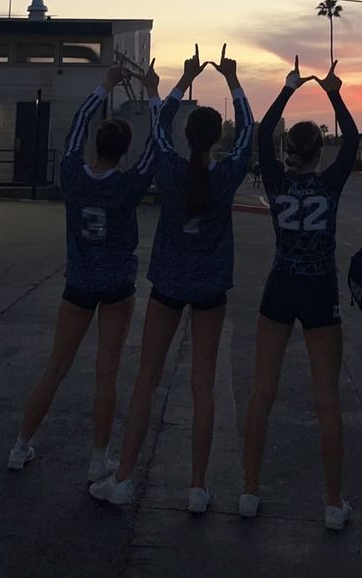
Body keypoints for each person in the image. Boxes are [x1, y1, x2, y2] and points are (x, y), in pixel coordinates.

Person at [90, 44, 254, 512]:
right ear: (215, 136)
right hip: (210, 289)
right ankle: (198, 488)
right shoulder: (227, 175)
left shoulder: (167, 165)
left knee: (147, 380)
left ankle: (123, 478)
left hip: (167, 285)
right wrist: (233, 81)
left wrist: (174, 84)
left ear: (188, 134)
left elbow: (158, 126)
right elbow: (247, 137)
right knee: (203, 386)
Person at [7, 61, 160, 479]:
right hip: (116, 286)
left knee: (56, 366)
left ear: (96, 144)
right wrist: (154, 94)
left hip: (78, 282)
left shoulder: (73, 176)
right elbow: (157, 148)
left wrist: (103, 87)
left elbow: (76, 125)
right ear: (123, 151)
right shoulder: (128, 186)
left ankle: (22, 445)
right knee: (106, 374)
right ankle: (98, 459)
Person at [241, 56, 359, 530]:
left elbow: (260, 131)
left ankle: (249, 490)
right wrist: (333, 91)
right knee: (326, 398)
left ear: (290, 149)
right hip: (320, 291)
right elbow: (352, 139)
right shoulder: (329, 184)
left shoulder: (275, 180)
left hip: (279, 284)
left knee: (262, 391)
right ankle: (332, 503)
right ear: (319, 152)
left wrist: (288, 88)